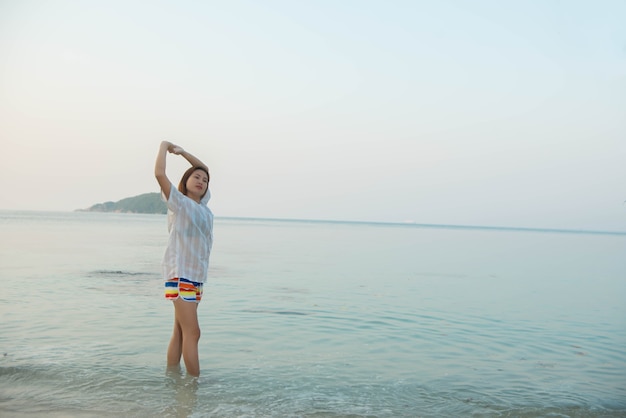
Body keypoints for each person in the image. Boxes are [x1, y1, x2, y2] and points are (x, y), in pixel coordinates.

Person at [154, 140, 214, 377]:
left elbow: (205, 167)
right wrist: (165, 146)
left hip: (196, 276)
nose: (201, 181)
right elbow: (159, 173)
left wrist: (184, 153)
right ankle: (194, 385)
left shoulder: (204, 206)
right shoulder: (179, 202)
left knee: (180, 331)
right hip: (180, 274)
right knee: (193, 332)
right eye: (196, 177)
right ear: (186, 182)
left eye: (205, 180)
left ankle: (173, 379)